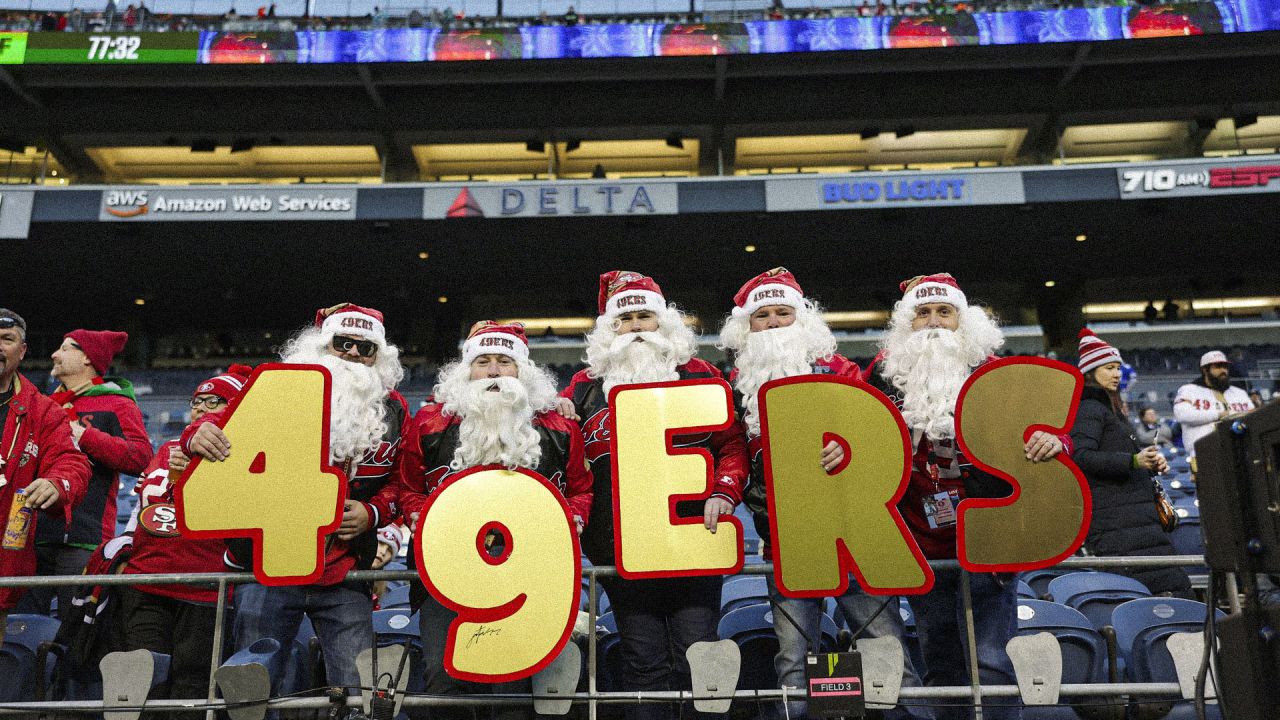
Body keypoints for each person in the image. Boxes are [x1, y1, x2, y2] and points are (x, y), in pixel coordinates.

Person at [718, 268, 928, 720]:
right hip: (785, 541)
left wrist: (849, 443)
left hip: (855, 538)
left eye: (782, 313)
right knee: (793, 663)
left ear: (802, 320)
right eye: (762, 316)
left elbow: (878, 434)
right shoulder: (733, 387)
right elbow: (731, 451)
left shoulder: (842, 372)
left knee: (887, 655)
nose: (773, 323)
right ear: (746, 326)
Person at [862, 273, 1067, 720]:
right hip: (919, 538)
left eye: (944, 311)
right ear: (906, 323)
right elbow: (856, 433)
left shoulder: (995, 371)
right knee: (941, 662)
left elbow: (1050, 428)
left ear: (963, 320)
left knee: (992, 660)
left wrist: (1056, 441)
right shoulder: (882, 374)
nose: (933, 321)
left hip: (989, 536)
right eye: (923, 313)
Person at [184, 303, 409, 699]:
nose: (354, 354)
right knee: (253, 692)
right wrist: (194, 436)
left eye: (366, 347)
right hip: (268, 567)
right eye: (343, 343)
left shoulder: (395, 408)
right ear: (322, 346)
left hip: (345, 570)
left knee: (359, 692)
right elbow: (211, 427)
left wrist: (373, 512)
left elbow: (399, 482)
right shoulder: (274, 390)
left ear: (380, 357)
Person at [559, 271, 747, 720]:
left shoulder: (700, 374)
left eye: (646, 316)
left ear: (664, 324)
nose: (638, 327)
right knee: (642, 663)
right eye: (627, 319)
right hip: (623, 549)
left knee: (696, 660)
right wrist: (557, 417)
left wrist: (724, 491)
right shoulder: (582, 388)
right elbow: (564, 465)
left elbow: (733, 447)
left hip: (695, 543)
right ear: (610, 329)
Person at [394, 321, 592, 720]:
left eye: (505, 361)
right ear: (467, 370)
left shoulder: (559, 426)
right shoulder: (430, 423)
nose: (494, 371)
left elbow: (582, 489)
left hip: (528, 577)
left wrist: (573, 517)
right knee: (442, 675)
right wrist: (418, 516)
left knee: (511, 683)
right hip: (447, 573)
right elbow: (407, 488)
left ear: (522, 371)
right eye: (483, 361)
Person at [115, 366, 253, 712]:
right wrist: (126, 549)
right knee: (143, 681)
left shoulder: (248, 454)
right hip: (145, 583)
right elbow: (141, 512)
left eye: (214, 401)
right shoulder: (166, 451)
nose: (201, 408)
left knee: (191, 687)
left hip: (203, 587)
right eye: (197, 401)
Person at [16, 330, 151, 619]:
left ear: (88, 357)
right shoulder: (43, 405)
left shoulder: (117, 404)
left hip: (84, 539)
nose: (54, 354)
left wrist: (84, 435)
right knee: (18, 626)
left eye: (65, 348)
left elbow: (141, 457)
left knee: (74, 630)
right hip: (30, 536)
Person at [1071, 330, 1191, 597]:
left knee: (1166, 589)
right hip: (1117, 521)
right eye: (1109, 368)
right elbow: (1079, 456)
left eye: (1118, 368)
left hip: (1135, 518)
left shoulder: (1110, 409)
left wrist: (1149, 462)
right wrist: (1134, 460)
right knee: (1147, 592)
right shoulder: (1089, 408)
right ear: (1090, 372)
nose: (1117, 374)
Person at [0, 309, 91, 643]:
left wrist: (56, 483)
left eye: (7, 339)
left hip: (4, 561)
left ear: (21, 351)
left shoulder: (42, 410)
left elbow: (73, 463)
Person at [1173, 350, 1256, 466]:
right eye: (1218, 367)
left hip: (1241, 452)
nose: (1224, 371)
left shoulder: (1239, 393)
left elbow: (1253, 415)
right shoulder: (1189, 390)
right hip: (1203, 454)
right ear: (1205, 370)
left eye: (1225, 367)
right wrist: (1219, 415)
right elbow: (1182, 415)